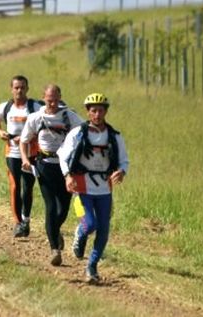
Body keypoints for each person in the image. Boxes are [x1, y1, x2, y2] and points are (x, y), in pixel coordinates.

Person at [57, 93, 129, 284]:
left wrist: (121, 171)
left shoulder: (114, 136)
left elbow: (123, 160)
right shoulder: (78, 133)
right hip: (82, 185)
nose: (97, 114)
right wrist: (67, 176)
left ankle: (92, 267)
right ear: (88, 112)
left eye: (101, 110)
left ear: (106, 111)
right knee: (90, 225)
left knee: (104, 230)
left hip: (104, 188)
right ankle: (80, 234)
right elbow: (63, 156)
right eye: (93, 110)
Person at [20, 84, 84, 266]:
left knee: (62, 208)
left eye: (56, 100)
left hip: (65, 168)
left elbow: (85, 130)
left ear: (60, 97)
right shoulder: (35, 118)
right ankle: (55, 249)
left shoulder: (69, 116)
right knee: (50, 206)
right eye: (49, 100)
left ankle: (55, 231)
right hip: (44, 165)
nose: (53, 103)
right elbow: (24, 141)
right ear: (43, 98)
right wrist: (25, 159)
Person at [0, 75, 42, 237]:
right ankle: (17, 222)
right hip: (12, 152)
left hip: (31, 152)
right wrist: (0, 131)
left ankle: (26, 220)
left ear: (27, 89)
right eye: (16, 87)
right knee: (14, 187)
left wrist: (30, 137)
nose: (19, 90)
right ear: (11, 89)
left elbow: (45, 123)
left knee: (27, 188)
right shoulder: (6, 107)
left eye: (22, 87)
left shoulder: (35, 106)